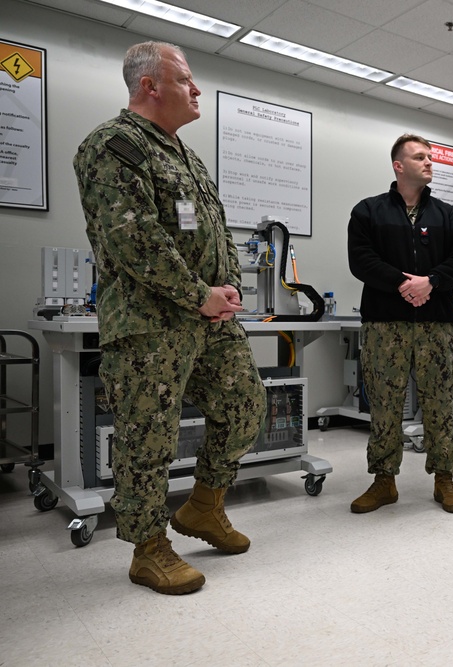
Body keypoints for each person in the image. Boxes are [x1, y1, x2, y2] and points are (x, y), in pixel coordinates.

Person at [73, 41, 266, 594]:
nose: (197, 88)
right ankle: (147, 547)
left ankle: (205, 506)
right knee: (147, 436)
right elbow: (133, 237)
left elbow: (215, 226)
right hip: (149, 322)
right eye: (186, 79)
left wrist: (226, 285)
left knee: (245, 406)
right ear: (150, 86)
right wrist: (196, 292)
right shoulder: (114, 145)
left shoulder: (184, 154)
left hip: (208, 318)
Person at [347, 134, 453, 514]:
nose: (430, 162)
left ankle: (445, 478)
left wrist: (430, 283)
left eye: (431, 157)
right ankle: (384, 480)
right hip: (386, 325)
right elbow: (361, 261)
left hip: (437, 325)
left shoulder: (449, 216)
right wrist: (404, 284)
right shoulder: (368, 212)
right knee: (385, 403)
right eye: (420, 157)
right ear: (398, 166)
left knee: (440, 403)